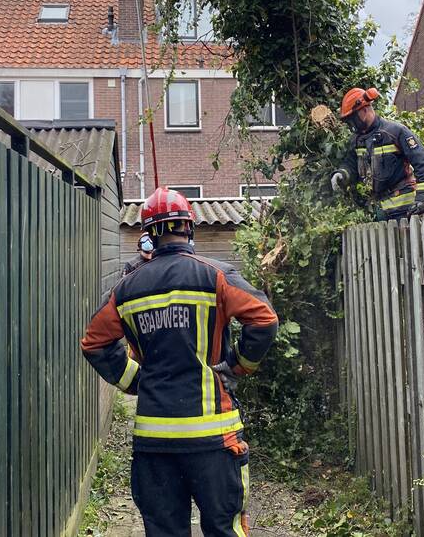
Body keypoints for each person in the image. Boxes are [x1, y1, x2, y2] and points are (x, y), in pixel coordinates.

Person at [81, 187, 279, 537]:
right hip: (215, 438)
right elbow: (263, 319)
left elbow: (95, 342)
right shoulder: (216, 275)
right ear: (190, 228)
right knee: (225, 529)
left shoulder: (126, 289)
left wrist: (135, 381)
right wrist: (238, 365)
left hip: (154, 442)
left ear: (148, 236)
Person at [330, 87, 424, 220]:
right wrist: (342, 174)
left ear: (364, 110)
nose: (352, 124)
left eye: (353, 118)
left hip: (407, 209)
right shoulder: (357, 140)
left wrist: (423, 199)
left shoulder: (395, 132)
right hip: (382, 211)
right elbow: (350, 163)